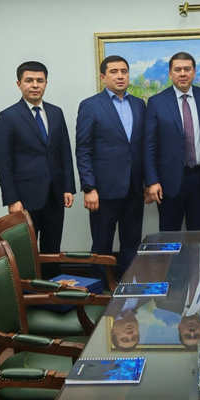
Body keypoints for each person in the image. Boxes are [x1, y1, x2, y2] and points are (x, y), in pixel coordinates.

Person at [0, 61, 75, 279]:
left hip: (55, 194)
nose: (35, 85)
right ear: (19, 84)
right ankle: (28, 293)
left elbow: (64, 152)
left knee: (52, 248)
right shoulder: (8, 116)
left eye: (40, 80)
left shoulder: (56, 112)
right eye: (29, 80)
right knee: (26, 252)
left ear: (46, 83)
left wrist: (68, 187)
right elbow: (3, 162)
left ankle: (51, 291)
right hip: (24, 197)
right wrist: (11, 199)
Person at [75, 55, 146, 285]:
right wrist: (89, 187)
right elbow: (83, 149)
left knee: (132, 244)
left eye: (124, 71)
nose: (120, 76)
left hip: (134, 187)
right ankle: (98, 292)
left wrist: (147, 181)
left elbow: (143, 146)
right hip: (103, 191)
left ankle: (127, 288)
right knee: (101, 245)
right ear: (103, 77)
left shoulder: (139, 104)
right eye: (114, 72)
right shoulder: (90, 105)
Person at [144, 52, 200, 231]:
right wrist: (151, 181)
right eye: (178, 69)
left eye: (187, 69)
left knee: (198, 233)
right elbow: (149, 146)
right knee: (169, 234)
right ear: (170, 73)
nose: (182, 73)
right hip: (168, 180)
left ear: (194, 72)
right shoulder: (156, 102)